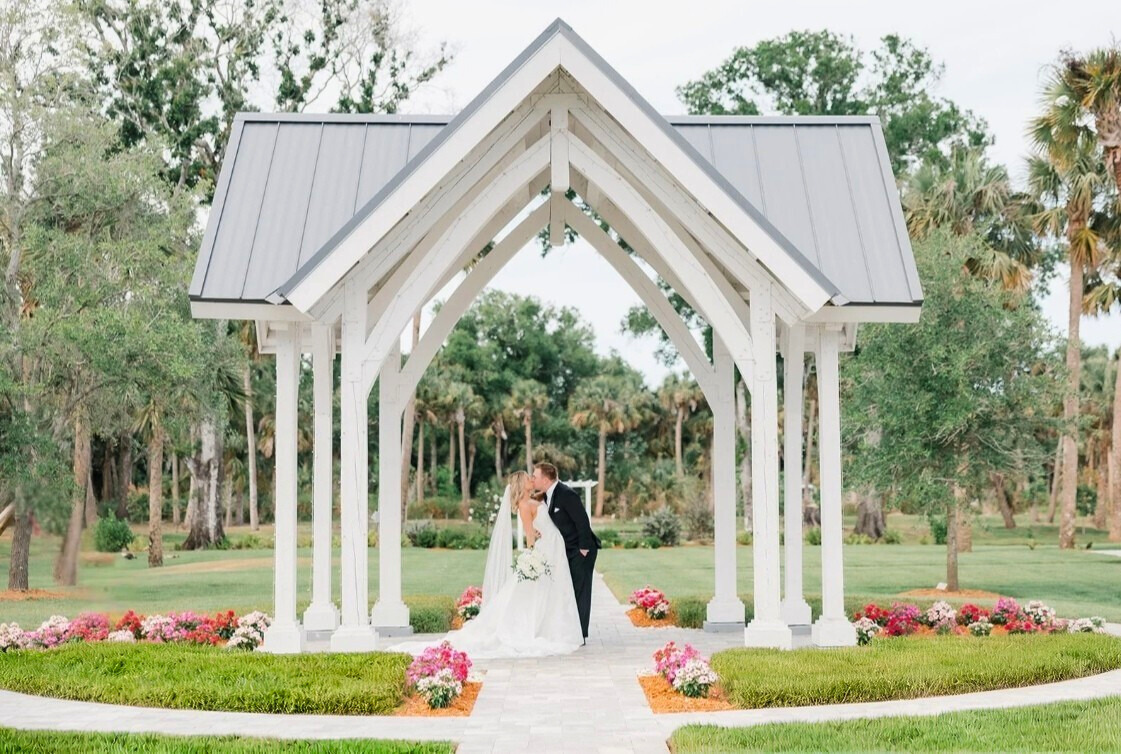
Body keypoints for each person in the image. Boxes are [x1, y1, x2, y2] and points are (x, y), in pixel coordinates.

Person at [388, 470, 582, 659]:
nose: (532, 479)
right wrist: (532, 557)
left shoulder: (535, 500)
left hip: (553, 547)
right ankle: (537, 628)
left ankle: (546, 626)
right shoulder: (525, 505)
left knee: (548, 590)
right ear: (522, 484)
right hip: (545, 551)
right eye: (528, 478)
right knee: (537, 591)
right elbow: (530, 535)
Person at [531, 462, 601, 642]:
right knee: (570, 590)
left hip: (581, 549)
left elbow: (582, 521)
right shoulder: (546, 495)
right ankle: (572, 630)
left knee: (581, 591)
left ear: (545, 479)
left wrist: (583, 549)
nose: (533, 479)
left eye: (535, 476)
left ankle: (581, 634)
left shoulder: (567, 494)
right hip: (566, 550)